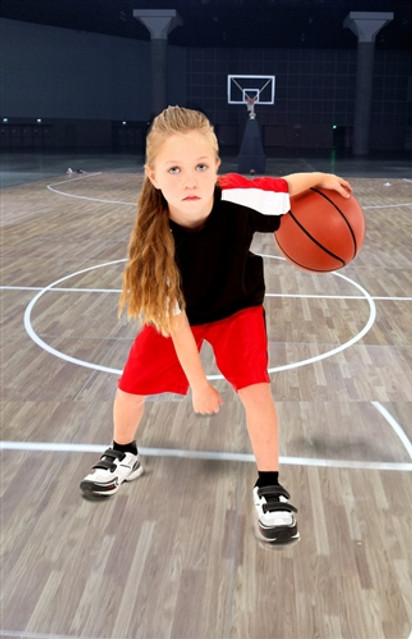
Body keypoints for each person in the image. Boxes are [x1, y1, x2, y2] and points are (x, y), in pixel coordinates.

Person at [80, 106, 352, 544]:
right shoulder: (156, 241)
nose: (189, 180)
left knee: (257, 392)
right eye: (175, 169)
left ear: (217, 168)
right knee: (130, 388)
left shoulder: (240, 195)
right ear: (153, 176)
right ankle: (122, 453)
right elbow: (176, 320)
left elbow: (284, 187)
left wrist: (321, 177)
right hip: (182, 315)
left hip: (236, 308)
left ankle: (269, 486)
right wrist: (199, 383)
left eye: (201, 166)